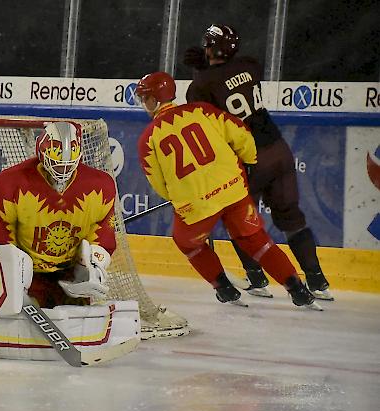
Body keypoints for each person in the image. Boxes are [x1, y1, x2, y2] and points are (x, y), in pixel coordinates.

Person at [134, 71, 320, 309]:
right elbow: (241, 133)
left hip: (197, 205)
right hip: (233, 189)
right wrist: (249, 161)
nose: (143, 103)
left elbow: (159, 184)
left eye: (144, 98)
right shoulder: (201, 110)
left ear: (153, 100)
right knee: (255, 239)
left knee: (188, 243)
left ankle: (223, 288)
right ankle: (297, 289)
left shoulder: (147, 139)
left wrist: (180, 196)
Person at [183, 24, 334, 301]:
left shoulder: (201, 84)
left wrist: (201, 71)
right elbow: (229, 76)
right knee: (291, 218)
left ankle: (257, 278)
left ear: (211, 49)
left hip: (249, 159)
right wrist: (207, 67)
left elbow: (204, 111)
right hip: (279, 149)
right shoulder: (250, 66)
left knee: (239, 222)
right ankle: (318, 281)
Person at [0, 121, 117, 309]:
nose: (63, 171)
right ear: (42, 154)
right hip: (29, 275)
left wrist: (95, 266)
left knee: (75, 315)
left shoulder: (101, 188)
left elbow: (103, 236)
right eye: (57, 164)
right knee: (10, 307)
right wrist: (9, 270)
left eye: (69, 165)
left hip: (69, 275)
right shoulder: (8, 185)